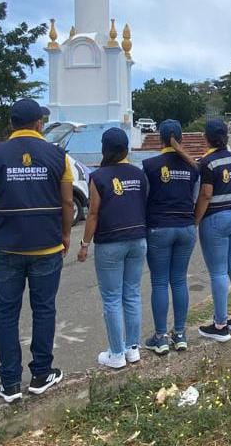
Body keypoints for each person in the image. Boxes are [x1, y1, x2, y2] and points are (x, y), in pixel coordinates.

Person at [0, 98, 75, 403]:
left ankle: (9, 383)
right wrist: (67, 234)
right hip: (47, 246)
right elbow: (68, 203)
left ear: (11, 124)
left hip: (7, 248)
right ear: (39, 123)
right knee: (44, 309)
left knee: (6, 313)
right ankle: (42, 374)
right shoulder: (59, 156)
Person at [77, 127, 148, 369]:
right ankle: (132, 349)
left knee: (111, 299)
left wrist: (84, 244)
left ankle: (116, 354)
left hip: (110, 242)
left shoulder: (98, 177)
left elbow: (93, 213)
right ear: (126, 148)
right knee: (132, 294)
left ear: (105, 148)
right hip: (138, 239)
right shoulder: (139, 175)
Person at [141, 119, 200, 355]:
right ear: (182, 138)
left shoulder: (149, 165)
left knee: (159, 282)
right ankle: (180, 334)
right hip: (186, 227)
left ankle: (160, 337)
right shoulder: (192, 168)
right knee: (179, 280)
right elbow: (195, 198)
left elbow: (144, 199)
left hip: (159, 228)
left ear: (160, 139)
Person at [195, 119, 231, 341]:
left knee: (218, 272)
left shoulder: (207, 163)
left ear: (206, 138)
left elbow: (206, 194)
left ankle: (220, 325)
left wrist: (196, 219)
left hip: (216, 219)